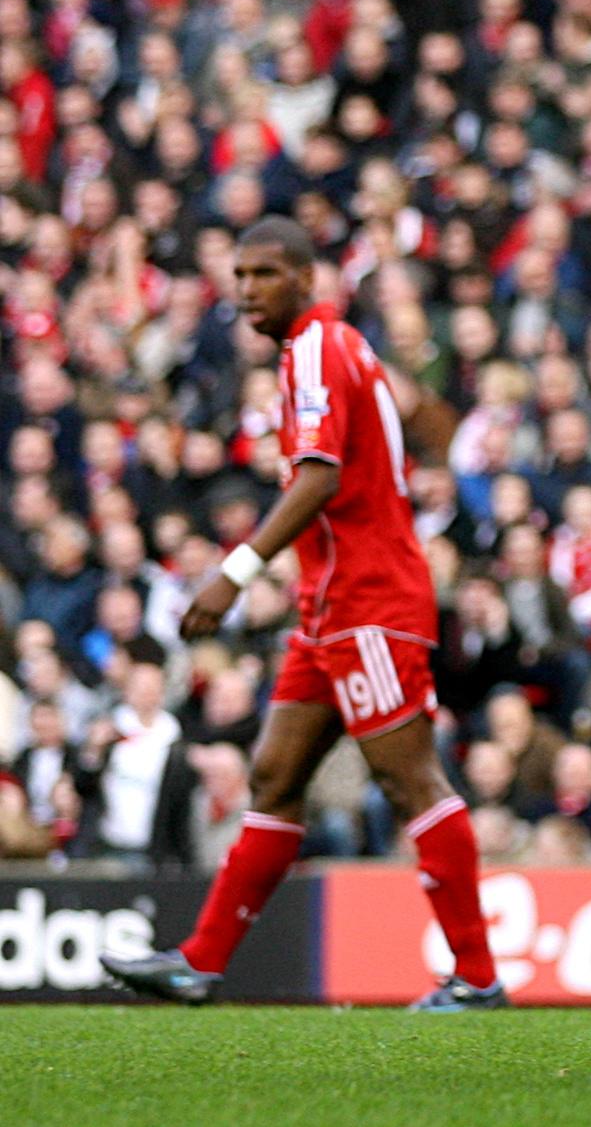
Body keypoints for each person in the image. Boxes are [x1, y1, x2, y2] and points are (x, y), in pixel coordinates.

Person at [100, 217, 502, 1012]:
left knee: (408, 778)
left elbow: (319, 476)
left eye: (266, 273)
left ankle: (478, 976)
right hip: (328, 606)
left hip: (371, 601)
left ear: (307, 278)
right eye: (240, 274)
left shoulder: (319, 346)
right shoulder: (325, 349)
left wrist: (234, 572)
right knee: (275, 772)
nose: (247, 288)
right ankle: (199, 961)